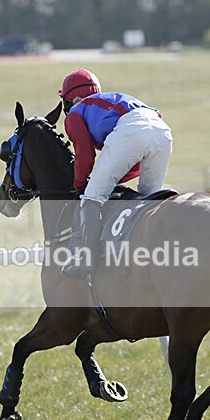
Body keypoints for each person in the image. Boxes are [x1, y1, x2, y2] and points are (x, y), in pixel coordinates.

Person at [58, 68, 173, 278]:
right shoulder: (107, 101)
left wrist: (79, 185)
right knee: (148, 201)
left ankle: (87, 260)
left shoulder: (76, 112)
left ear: (73, 99)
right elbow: (131, 165)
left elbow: (84, 154)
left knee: (91, 198)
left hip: (131, 132)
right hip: (162, 131)